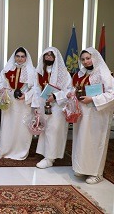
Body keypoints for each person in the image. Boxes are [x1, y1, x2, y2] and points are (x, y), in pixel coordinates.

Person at [70, 47, 114, 184]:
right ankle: (81, 167)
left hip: (97, 114)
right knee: (82, 140)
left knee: (95, 142)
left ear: (94, 58)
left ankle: (96, 173)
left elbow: (111, 93)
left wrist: (93, 100)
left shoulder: (103, 73)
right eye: (83, 59)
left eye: (88, 58)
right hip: (83, 113)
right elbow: (76, 88)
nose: (85, 61)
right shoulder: (81, 74)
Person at [0, 47, 37, 160]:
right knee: (8, 126)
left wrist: (26, 95)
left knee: (22, 127)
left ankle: (20, 151)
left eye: (22, 57)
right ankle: (5, 149)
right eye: (17, 56)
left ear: (26, 58)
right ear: (14, 57)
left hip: (24, 103)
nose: (20, 59)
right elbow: (0, 84)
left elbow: (36, 89)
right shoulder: (7, 70)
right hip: (10, 102)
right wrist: (3, 91)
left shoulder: (32, 71)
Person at [34, 47, 72, 168]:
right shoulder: (40, 72)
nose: (48, 57)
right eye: (46, 55)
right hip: (43, 105)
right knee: (45, 130)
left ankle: (50, 158)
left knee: (54, 130)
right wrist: (36, 105)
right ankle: (46, 153)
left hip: (57, 107)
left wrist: (55, 97)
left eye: (51, 55)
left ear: (55, 58)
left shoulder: (64, 73)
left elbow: (69, 90)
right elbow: (36, 89)